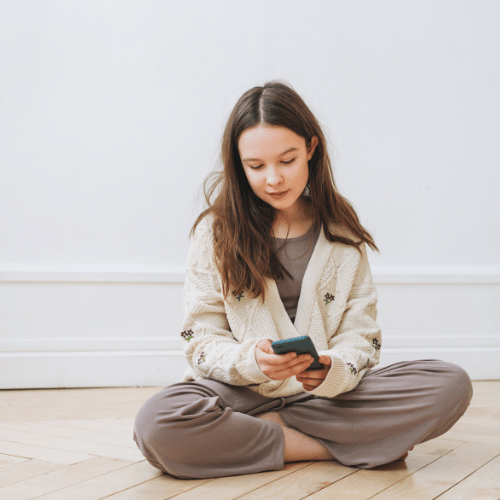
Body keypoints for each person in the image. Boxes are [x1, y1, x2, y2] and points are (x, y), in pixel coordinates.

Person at [133, 80, 473, 480]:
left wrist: (332, 368)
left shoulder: (342, 233)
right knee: (157, 424)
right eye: (255, 167)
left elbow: (362, 335)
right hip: (239, 394)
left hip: (325, 397)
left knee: (451, 384)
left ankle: (267, 436)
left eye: (287, 160)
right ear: (238, 165)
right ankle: (329, 446)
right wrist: (253, 361)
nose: (273, 179)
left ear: (311, 149)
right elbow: (200, 337)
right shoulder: (216, 231)